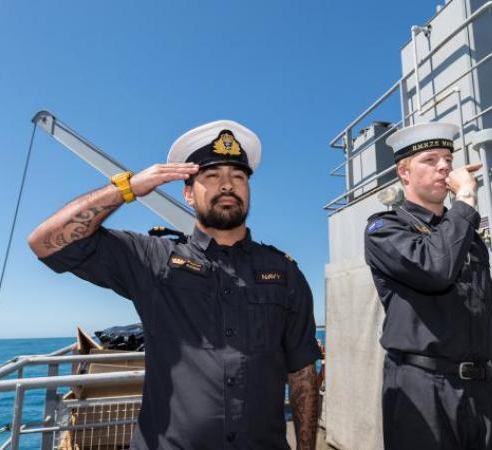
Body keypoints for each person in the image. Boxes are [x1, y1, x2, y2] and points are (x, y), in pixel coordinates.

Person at [28, 120, 322, 450]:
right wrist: (127, 188)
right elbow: (46, 243)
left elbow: (302, 375)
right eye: (212, 176)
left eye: (238, 177)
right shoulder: (152, 259)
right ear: (187, 192)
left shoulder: (284, 274)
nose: (227, 185)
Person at [364, 122, 492, 450]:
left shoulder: (466, 236)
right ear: (403, 172)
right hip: (423, 390)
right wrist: (465, 198)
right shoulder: (385, 229)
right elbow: (436, 269)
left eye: (447, 158)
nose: (444, 166)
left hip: (482, 391)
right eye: (430, 160)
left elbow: (483, 312)